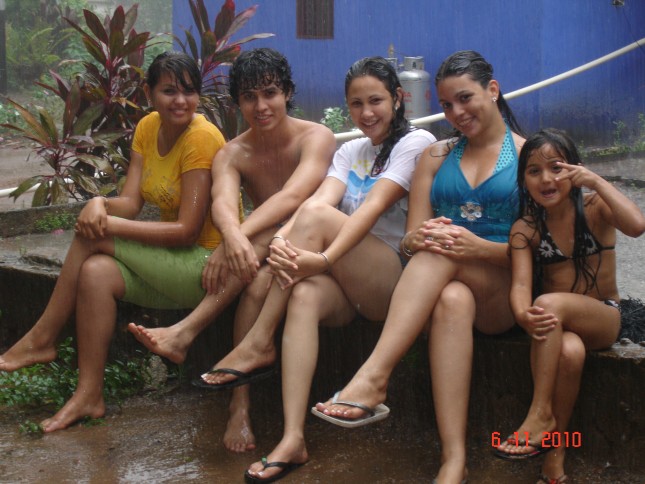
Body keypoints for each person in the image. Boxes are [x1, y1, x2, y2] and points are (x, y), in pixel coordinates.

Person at [201, 56, 436, 482]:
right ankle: (293, 438)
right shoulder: (351, 151)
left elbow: (372, 208)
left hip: (394, 283)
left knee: (314, 220)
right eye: (356, 104)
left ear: (399, 99)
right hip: (350, 283)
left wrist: (324, 258)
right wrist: (281, 241)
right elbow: (318, 201)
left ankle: (259, 341)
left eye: (376, 101)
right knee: (305, 294)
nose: (366, 113)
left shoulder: (416, 142)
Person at [314, 50, 526, 484]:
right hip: (448, 286)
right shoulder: (435, 156)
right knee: (451, 298)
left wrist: (475, 248)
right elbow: (410, 241)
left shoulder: (529, 157)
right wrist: (421, 238)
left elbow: (545, 251)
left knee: (440, 254)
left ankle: (375, 376)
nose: (456, 113)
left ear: (492, 90)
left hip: (505, 291)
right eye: (446, 104)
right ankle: (453, 460)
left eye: (465, 98)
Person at [0, 51, 228, 432]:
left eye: (189, 91)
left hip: (207, 267)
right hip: (173, 263)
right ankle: (89, 394)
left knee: (94, 238)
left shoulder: (201, 138)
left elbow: (187, 230)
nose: (181, 101)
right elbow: (132, 203)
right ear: (148, 93)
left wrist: (107, 224)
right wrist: (99, 203)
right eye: (169, 91)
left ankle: (42, 337)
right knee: (96, 273)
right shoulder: (148, 127)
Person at [127, 48, 335, 452]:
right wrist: (232, 234)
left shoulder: (316, 137)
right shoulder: (233, 152)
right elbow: (222, 201)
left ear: (287, 93)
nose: (261, 106)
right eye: (249, 97)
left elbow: (295, 195)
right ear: (237, 102)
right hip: (273, 256)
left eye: (270, 94)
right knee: (255, 284)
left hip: (321, 251)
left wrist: (236, 237)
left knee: (263, 241)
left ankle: (185, 333)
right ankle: (239, 409)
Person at [494, 128, 645, 483]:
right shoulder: (526, 228)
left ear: (574, 170)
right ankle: (555, 454)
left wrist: (596, 181)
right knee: (570, 352)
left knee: (546, 303)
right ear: (524, 180)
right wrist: (522, 314)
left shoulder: (595, 208)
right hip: (559, 328)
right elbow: (520, 285)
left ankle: (539, 412)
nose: (546, 179)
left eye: (557, 167)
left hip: (603, 317)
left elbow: (637, 225)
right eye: (534, 171)